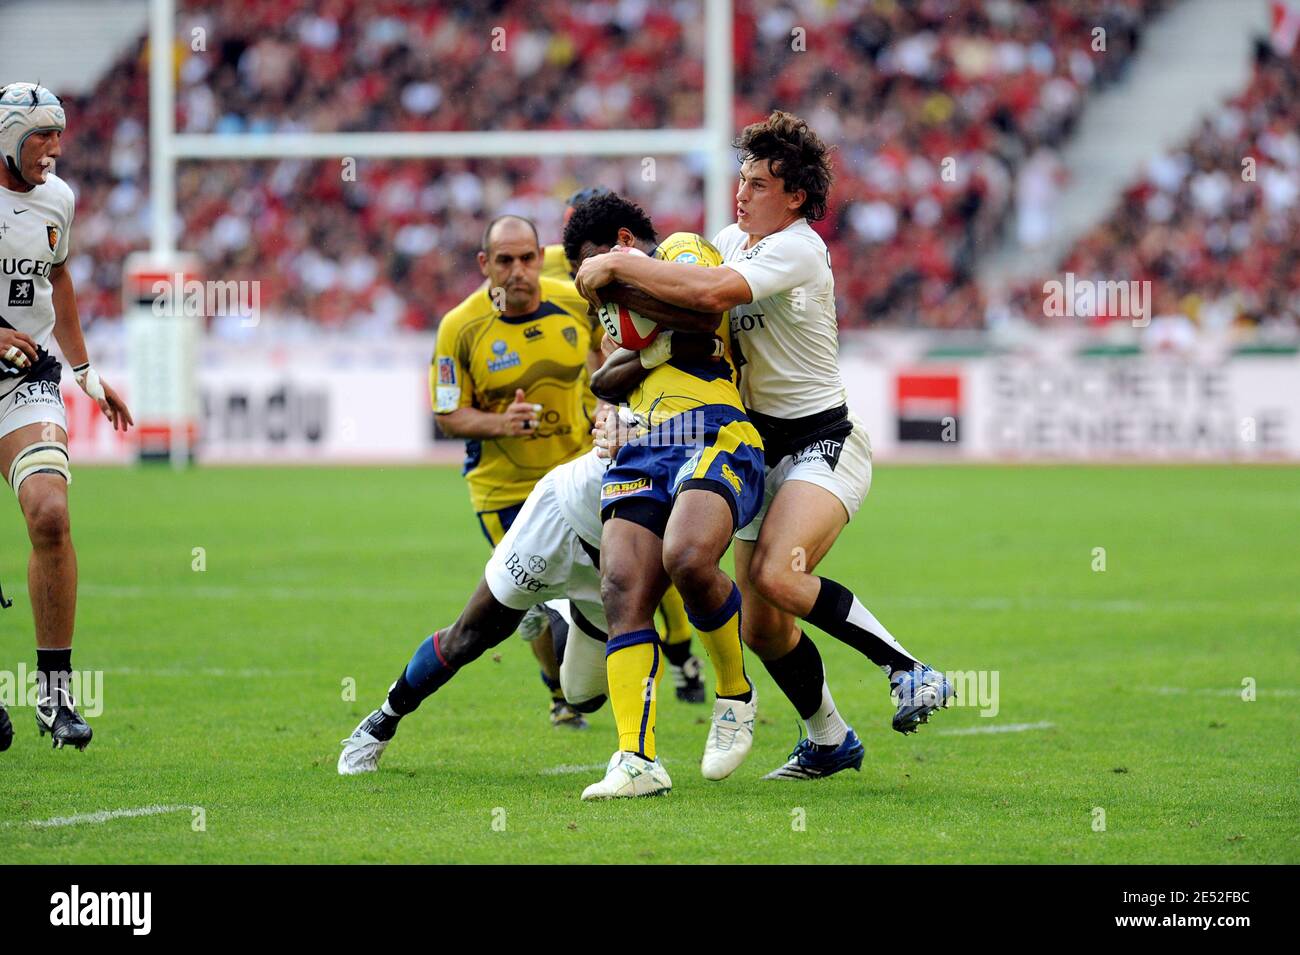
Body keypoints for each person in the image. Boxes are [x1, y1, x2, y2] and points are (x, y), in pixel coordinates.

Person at [575, 111, 954, 780]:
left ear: (796, 197)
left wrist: (618, 265)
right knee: (761, 627)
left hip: (821, 438)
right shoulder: (729, 238)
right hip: (753, 442)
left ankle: (912, 671)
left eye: (756, 184)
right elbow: (691, 312)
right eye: (740, 180)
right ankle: (831, 739)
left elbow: (712, 291)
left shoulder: (800, 248)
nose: (741, 194)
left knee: (781, 574)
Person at [563, 193, 766, 799]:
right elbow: (607, 376)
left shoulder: (679, 248)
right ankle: (636, 760)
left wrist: (629, 300)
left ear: (623, 241)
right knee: (622, 586)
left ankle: (734, 694)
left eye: (593, 264)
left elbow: (703, 314)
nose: (592, 287)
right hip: (644, 442)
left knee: (687, 556)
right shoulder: (617, 305)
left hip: (712, 426)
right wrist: (653, 345)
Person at [0, 83, 133, 752]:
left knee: (50, 512)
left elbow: (57, 277)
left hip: (24, 384)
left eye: (59, 133)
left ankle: (54, 700)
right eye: (40, 135)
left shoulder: (59, 198)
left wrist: (86, 373)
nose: (54, 147)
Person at [433, 213, 603, 728]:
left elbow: (610, 348)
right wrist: (500, 423)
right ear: (485, 264)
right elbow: (446, 414)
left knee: (603, 596)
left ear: (540, 256)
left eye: (527, 258)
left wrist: (606, 406)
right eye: (504, 260)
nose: (518, 271)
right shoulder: (458, 327)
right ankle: (558, 691)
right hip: (503, 491)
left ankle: (621, 688)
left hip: (576, 479)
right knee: (536, 609)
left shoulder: (575, 301)